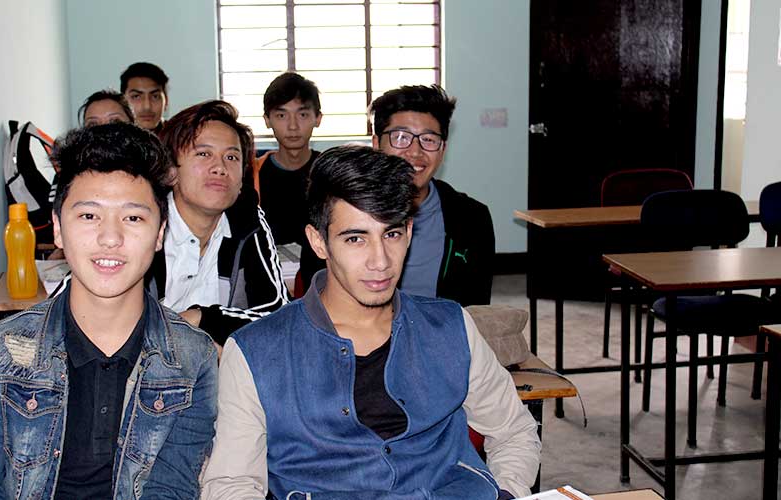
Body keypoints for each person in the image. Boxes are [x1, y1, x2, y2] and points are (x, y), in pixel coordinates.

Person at [202, 146, 540, 500]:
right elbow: (232, 484)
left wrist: (508, 491)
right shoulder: (256, 352)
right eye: (355, 238)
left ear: (409, 231)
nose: (380, 261)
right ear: (319, 242)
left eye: (391, 234)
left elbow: (514, 430)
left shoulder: (451, 326)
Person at [0, 123, 218, 498]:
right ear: (58, 229)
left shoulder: (193, 358)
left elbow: (171, 487)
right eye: (89, 216)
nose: (110, 238)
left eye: (133, 218)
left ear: (160, 234)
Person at [150, 100, 290, 344]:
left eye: (232, 157)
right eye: (204, 154)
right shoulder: (145, 222)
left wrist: (200, 318)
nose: (220, 168)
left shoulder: (246, 219)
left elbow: (279, 315)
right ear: (171, 170)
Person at [371, 84, 495, 306]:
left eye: (428, 139)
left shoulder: (472, 218)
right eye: (401, 137)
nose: (414, 152)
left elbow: (477, 307)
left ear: (443, 149)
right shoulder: (346, 210)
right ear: (376, 144)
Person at [253, 72, 322, 247]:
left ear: (318, 118)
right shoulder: (251, 175)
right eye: (281, 116)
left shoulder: (332, 173)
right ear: (267, 120)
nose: (293, 126)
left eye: (302, 115)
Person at [120, 61, 169, 132]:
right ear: (122, 102)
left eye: (155, 96)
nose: (147, 107)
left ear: (166, 101)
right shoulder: (110, 136)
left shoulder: (179, 137)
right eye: (136, 96)